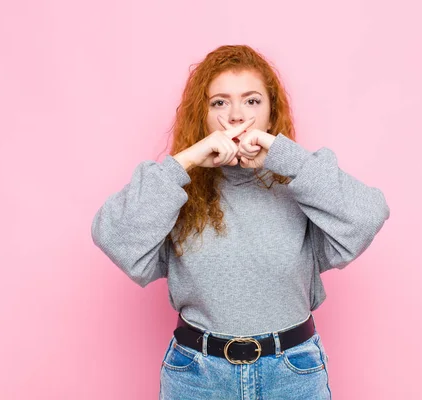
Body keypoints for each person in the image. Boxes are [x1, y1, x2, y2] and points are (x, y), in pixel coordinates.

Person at [91, 44, 390, 399]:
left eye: (252, 101)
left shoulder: (301, 185)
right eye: (219, 102)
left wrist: (285, 156)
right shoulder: (175, 193)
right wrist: (184, 162)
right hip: (196, 376)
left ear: (271, 112)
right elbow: (113, 235)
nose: (235, 115)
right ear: (201, 114)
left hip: (293, 374)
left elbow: (368, 214)